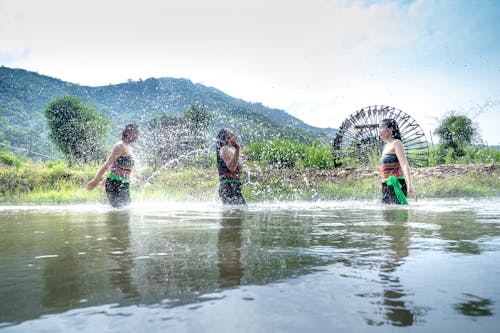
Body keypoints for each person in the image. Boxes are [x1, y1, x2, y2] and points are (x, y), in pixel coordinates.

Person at [86, 123, 139, 208]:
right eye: (135, 133)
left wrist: (106, 178)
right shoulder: (119, 146)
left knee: (125, 211)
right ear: (129, 133)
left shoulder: (129, 147)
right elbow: (108, 163)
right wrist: (96, 180)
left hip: (124, 183)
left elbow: (117, 165)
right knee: (120, 211)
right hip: (115, 183)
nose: (137, 136)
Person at [378, 119, 417, 205]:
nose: (379, 130)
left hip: (397, 184)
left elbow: (404, 165)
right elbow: (384, 168)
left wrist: (410, 184)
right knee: (387, 215)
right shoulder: (386, 146)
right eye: (379, 128)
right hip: (386, 184)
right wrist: (382, 183)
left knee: (398, 215)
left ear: (391, 129)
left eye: (381, 127)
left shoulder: (397, 143)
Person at [216, 128, 246, 205]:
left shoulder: (231, 149)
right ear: (226, 138)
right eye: (231, 133)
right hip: (228, 186)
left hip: (233, 185)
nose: (234, 133)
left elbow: (237, 170)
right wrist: (237, 148)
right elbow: (232, 168)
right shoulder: (224, 149)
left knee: (237, 212)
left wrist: (240, 157)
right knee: (234, 213)